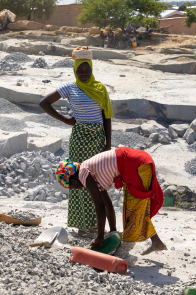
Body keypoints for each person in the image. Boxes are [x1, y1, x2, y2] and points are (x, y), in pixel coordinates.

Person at [40, 47, 113, 236]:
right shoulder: (69, 88)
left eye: (87, 69)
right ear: (74, 70)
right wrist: (65, 120)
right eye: (80, 70)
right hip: (79, 138)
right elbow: (44, 103)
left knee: (97, 181)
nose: (83, 73)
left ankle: (97, 225)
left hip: (97, 138)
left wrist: (108, 144)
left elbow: (107, 116)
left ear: (91, 69)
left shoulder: (100, 88)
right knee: (79, 179)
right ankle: (82, 224)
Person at [53, 147, 166, 255]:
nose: (75, 189)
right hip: (137, 162)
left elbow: (99, 205)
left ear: (73, 181)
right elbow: (107, 204)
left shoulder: (83, 173)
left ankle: (125, 251)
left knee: (133, 210)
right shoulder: (91, 171)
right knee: (135, 208)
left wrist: (100, 237)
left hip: (136, 165)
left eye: (72, 187)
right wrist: (113, 232)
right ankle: (157, 242)